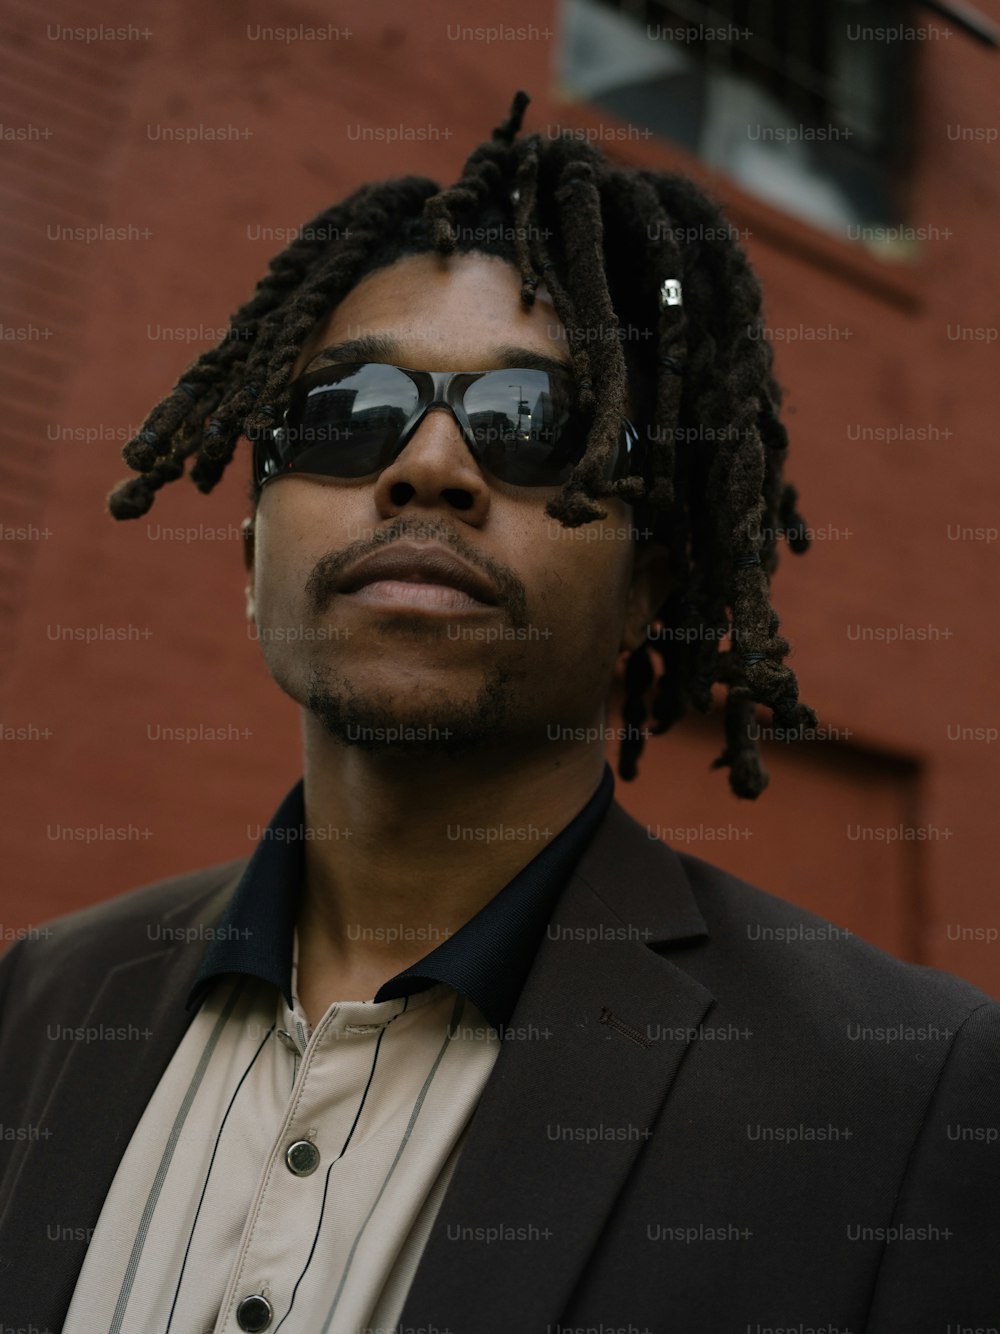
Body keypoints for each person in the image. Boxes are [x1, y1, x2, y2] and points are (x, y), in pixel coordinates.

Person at [1, 90, 997, 1333]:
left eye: (533, 425)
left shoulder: (900, 1094)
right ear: (249, 544)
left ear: (649, 586)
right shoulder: (41, 1003)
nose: (427, 463)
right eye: (348, 409)